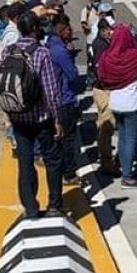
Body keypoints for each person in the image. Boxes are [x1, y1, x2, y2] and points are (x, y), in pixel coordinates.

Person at [2, 13, 66, 218]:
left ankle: (30, 207)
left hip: (18, 118)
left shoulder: (8, 51)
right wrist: (57, 119)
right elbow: (50, 90)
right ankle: (55, 204)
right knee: (52, 160)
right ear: (36, 29)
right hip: (41, 118)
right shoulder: (41, 53)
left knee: (25, 162)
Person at [95, 24, 137, 189]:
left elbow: (101, 76)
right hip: (132, 103)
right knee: (131, 139)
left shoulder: (107, 56)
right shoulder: (136, 56)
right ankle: (127, 176)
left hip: (115, 101)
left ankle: (124, 167)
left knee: (122, 137)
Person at [47, 14, 85, 183]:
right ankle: (69, 172)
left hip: (53, 99)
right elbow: (72, 75)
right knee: (68, 138)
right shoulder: (62, 52)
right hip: (65, 99)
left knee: (58, 138)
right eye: (69, 29)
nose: (72, 32)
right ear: (62, 31)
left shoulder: (49, 45)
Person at [88, 18, 118, 176]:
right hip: (103, 89)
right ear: (101, 30)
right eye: (108, 29)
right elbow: (100, 69)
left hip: (102, 88)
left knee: (105, 124)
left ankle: (106, 158)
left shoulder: (102, 43)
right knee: (107, 125)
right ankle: (106, 161)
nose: (111, 32)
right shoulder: (100, 45)